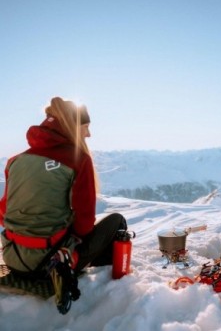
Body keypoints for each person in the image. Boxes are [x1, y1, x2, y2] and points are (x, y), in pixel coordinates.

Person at [0, 97, 127, 276]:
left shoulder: (15, 161)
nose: (88, 134)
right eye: (85, 127)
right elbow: (84, 224)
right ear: (72, 128)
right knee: (117, 221)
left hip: (13, 257)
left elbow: (4, 212)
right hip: (51, 263)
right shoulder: (78, 160)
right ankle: (99, 281)